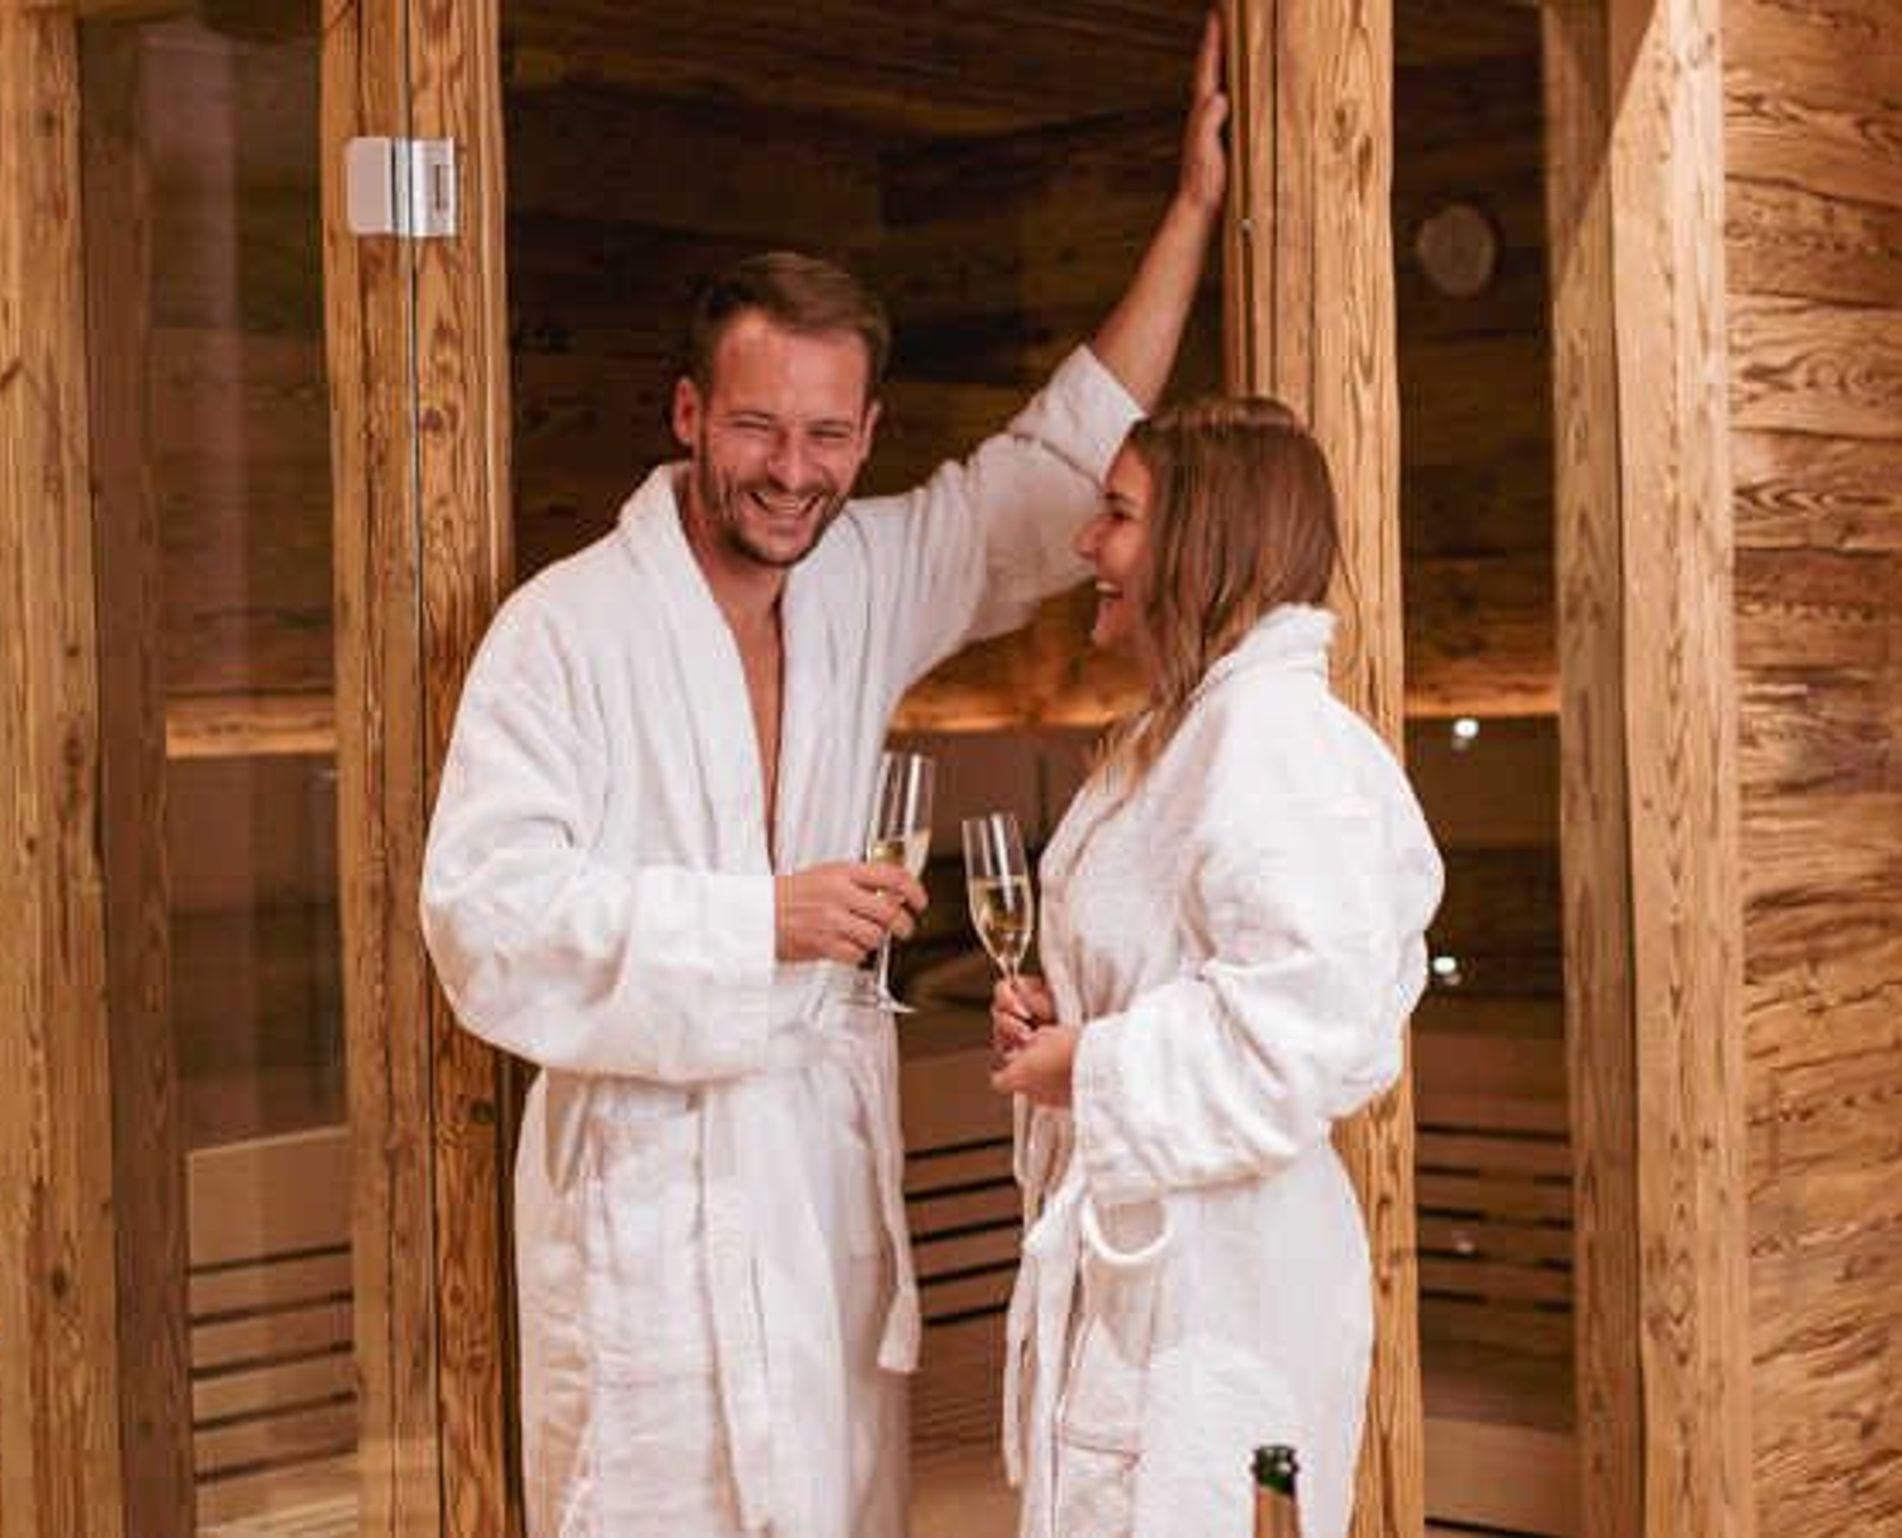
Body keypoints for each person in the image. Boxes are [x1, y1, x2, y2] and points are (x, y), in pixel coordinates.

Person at [417, 13, 1227, 1534]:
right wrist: (757, 921)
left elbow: (1051, 470)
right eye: (756, 427)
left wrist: (1191, 208)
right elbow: (483, 918)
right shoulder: (564, 631)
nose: (792, 471)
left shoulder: (859, 576)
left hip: (814, 1193)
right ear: (688, 415)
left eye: (826, 435)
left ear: (866, 436)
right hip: (649, 1221)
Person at [990, 398, 1446, 1538]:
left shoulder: (1272, 741)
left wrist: (1089, 1064)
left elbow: (1301, 1029)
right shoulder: (1188, 732)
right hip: (1161, 1279)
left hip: (1223, 1298)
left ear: (1200, 541)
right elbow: (1188, 973)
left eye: (1117, 514)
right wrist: (1067, 1015)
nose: (1088, 543)